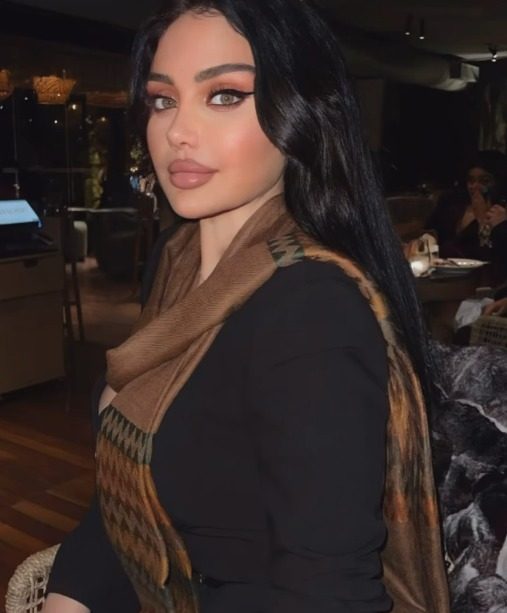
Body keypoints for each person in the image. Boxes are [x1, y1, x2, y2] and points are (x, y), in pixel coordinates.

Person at [43, 1, 449, 611]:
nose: (177, 131)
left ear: (301, 114)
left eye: (225, 95)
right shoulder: (177, 262)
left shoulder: (311, 313)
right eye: (163, 99)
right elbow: (124, 492)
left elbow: (328, 595)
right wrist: (66, 597)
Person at [426, 151, 507, 285]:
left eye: (484, 181)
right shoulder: (452, 203)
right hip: (439, 274)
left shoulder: (500, 213)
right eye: (471, 180)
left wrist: (482, 220)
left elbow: (491, 258)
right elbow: (430, 231)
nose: (475, 186)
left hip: (479, 282)